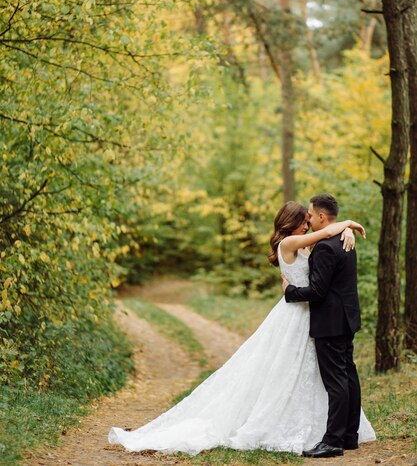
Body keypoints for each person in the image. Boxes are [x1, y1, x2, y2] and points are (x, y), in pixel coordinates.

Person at [108, 200, 376, 456]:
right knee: (295, 372)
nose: (307, 225)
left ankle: (334, 433)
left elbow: (327, 235)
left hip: (311, 315)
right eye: (303, 221)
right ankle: (321, 432)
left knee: (317, 374)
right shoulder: (290, 242)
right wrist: (347, 224)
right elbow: (328, 231)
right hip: (298, 313)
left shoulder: (309, 243)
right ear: (292, 223)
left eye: (309, 220)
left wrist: (347, 228)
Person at [283, 193, 371, 458]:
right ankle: (349, 436)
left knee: (336, 381)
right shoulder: (345, 240)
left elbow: (318, 291)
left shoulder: (324, 246)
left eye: (310, 214)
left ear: (322, 216)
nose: (308, 219)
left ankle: (332, 440)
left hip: (330, 322)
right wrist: (347, 226)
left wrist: (291, 292)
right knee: (349, 376)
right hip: (347, 317)